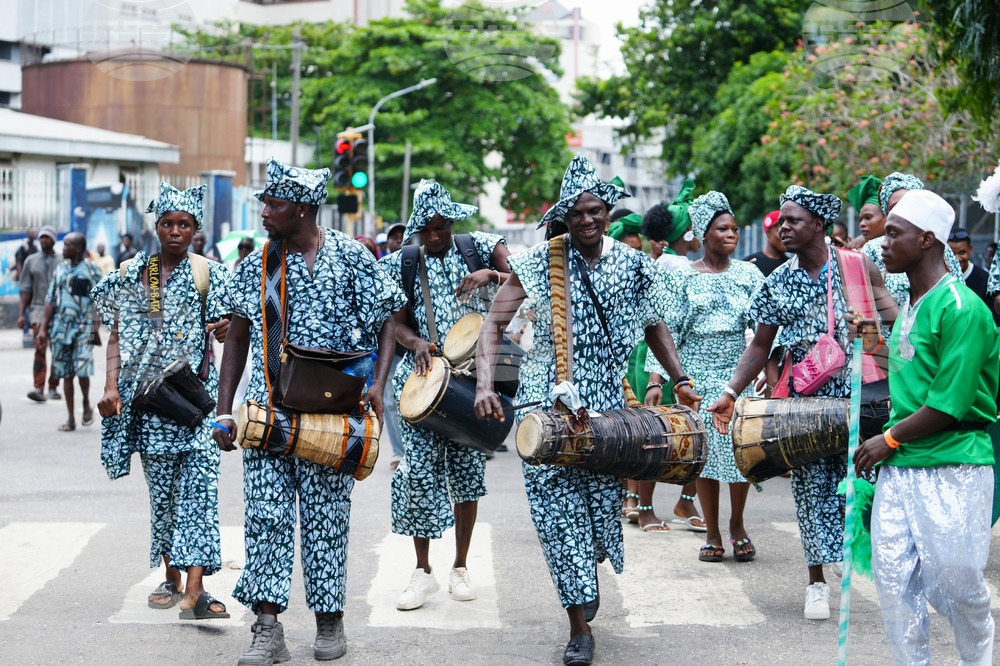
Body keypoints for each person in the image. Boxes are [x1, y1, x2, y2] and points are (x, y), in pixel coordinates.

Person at [472, 154, 698, 666]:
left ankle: (582, 574)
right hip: (546, 409)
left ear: (607, 212)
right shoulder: (540, 261)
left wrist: (680, 379)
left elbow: (654, 325)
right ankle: (578, 626)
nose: (587, 220)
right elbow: (493, 324)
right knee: (557, 519)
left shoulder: (633, 263)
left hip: (608, 415)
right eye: (576, 213)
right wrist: (485, 384)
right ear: (564, 218)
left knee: (598, 519)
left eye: (595, 210)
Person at [213, 157, 404, 664]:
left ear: (301, 208)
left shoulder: (351, 256)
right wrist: (224, 410)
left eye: (272, 204)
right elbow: (237, 337)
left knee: (327, 520)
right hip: (269, 415)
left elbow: (388, 318)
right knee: (266, 520)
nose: (264, 213)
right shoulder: (257, 264)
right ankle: (267, 629)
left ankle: (329, 623)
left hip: (334, 417)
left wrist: (378, 384)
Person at [707, 185, 897, 621]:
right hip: (804, 403)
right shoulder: (778, 281)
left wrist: (870, 334)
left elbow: (896, 327)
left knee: (861, 485)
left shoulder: (857, 265)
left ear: (819, 224)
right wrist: (731, 393)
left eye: (794, 220)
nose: (784, 227)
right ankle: (816, 584)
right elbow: (759, 346)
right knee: (810, 491)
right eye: (781, 221)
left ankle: (860, 556)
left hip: (862, 398)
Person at [855, 189, 997, 666]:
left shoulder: (962, 307)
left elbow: (948, 405)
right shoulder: (912, 306)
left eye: (894, 233)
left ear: (927, 239)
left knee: (957, 583)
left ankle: (977, 658)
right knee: (895, 584)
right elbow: (911, 369)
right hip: (900, 468)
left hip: (955, 462)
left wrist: (888, 438)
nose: (883, 243)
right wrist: (871, 342)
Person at [91, 183, 232, 623]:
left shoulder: (209, 274)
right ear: (156, 227)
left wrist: (227, 327)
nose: (175, 232)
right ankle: (171, 576)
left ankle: (196, 589)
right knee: (165, 498)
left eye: (184, 225)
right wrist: (110, 386)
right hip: (151, 405)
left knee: (201, 492)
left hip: (196, 403)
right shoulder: (133, 274)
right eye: (168, 224)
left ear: (195, 230)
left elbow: (233, 327)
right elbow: (116, 334)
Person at [380, 179, 511, 611]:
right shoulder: (404, 261)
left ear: (452, 221)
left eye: (441, 227)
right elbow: (394, 323)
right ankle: (422, 571)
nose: (434, 236)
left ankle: (460, 566)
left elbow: (525, 281)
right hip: (423, 379)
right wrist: (415, 341)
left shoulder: (481, 247)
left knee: (467, 474)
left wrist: (492, 274)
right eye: (426, 230)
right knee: (418, 474)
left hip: (473, 380)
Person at [647, 192, 764, 561]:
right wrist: (657, 381)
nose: (731, 234)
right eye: (722, 229)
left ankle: (737, 524)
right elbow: (666, 331)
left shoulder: (749, 274)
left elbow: (766, 329)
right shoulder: (682, 276)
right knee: (706, 455)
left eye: (734, 229)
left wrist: (770, 374)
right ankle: (713, 531)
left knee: (742, 450)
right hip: (694, 378)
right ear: (703, 233)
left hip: (738, 374)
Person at [634, 182, 706, 532]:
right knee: (658, 438)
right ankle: (646, 508)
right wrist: (657, 378)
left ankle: (684, 502)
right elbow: (662, 324)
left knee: (690, 437)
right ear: (687, 232)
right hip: (667, 365)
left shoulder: (680, 264)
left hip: (680, 364)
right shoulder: (673, 267)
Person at [858, 173, 963, 311]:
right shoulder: (872, 249)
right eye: (896, 207)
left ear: (927, 240)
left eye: (908, 206)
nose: (902, 212)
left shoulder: (941, 248)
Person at [35, 232, 102, 431]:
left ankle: (86, 403)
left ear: (78, 248)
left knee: (82, 370)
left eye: (66, 245)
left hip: (83, 328)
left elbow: (100, 301)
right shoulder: (60, 269)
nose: (62, 248)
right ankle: (71, 418)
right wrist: (43, 329)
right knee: (66, 374)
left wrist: (95, 328)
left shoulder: (92, 269)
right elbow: (50, 299)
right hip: (60, 328)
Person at [18, 225, 62, 402]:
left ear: (54, 240)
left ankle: (53, 387)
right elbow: (26, 290)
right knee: (40, 349)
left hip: (59, 312)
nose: (44, 240)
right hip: (37, 311)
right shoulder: (31, 260)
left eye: (47, 237)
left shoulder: (62, 260)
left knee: (58, 351)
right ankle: (38, 388)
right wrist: (22, 314)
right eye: (42, 237)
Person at [947, 228, 999, 326]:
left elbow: (994, 325)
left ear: (970, 249)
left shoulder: (986, 282)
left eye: (962, 252)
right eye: (952, 254)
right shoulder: (936, 280)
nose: (957, 258)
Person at [743, 211, 787, 277]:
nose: (785, 236)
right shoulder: (751, 263)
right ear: (768, 233)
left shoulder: (792, 265)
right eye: (781, 231)